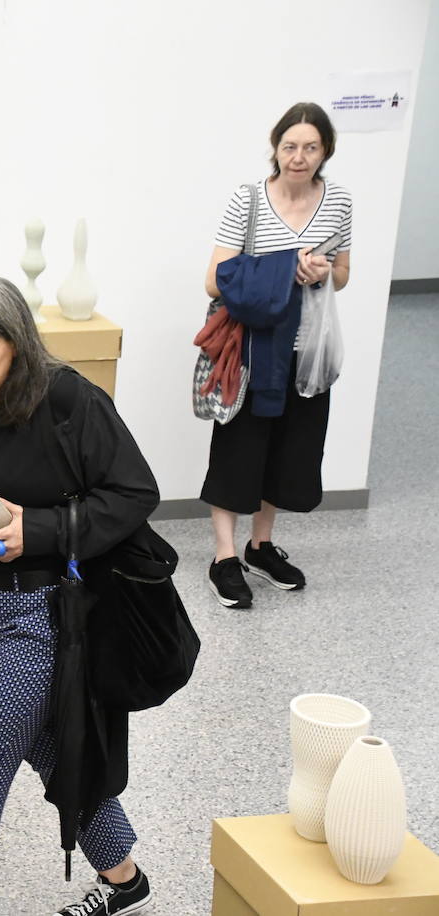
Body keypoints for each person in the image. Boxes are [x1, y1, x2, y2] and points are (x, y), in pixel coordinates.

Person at [0, 278, 159, 916]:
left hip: (41, 615)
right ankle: (126, 880)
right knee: (51, 742)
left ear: (16, 344)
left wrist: (42, 529)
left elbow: (133, 493)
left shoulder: (71, 399)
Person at [201, 102, 352, 609]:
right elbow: (213, 278)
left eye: (311, 147)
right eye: (290, 146)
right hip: (252, 350)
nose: (299, 157)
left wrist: (323, 271)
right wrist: (287, 267)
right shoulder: (247, 200)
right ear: (276, 147)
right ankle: (224, 556)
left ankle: (260, 546)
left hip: (307, 350)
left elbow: (344, 273)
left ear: (325, 150)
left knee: (289, 451)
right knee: (238, 451)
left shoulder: (339, 203)